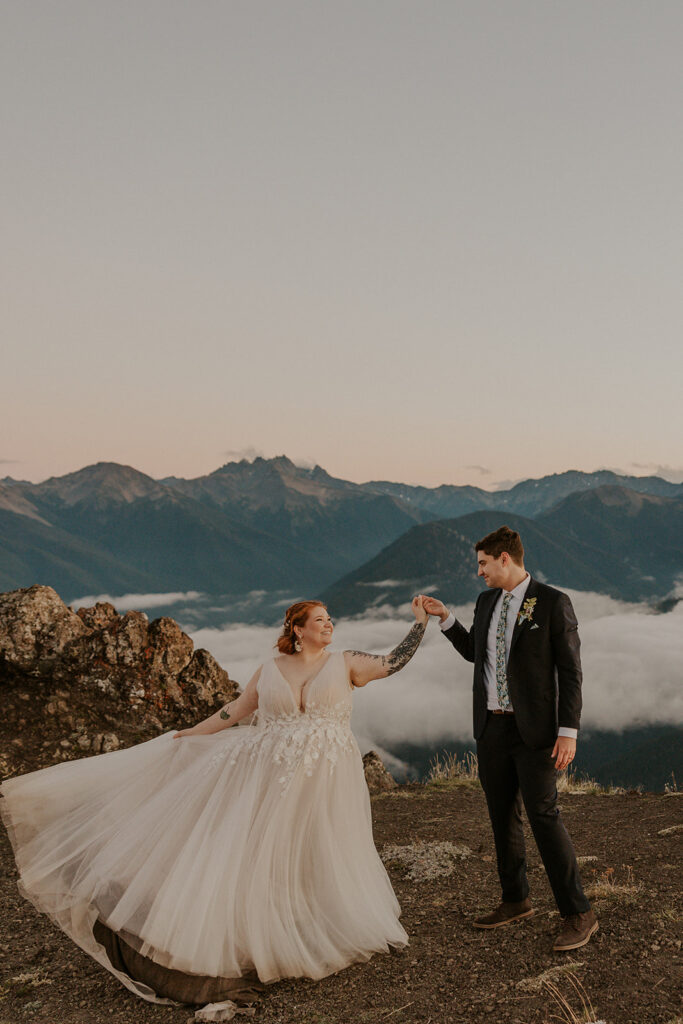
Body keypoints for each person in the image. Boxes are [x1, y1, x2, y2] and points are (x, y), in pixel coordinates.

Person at [0, 598, 428, 1021]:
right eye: (320, 619)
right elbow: (237, 711)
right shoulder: (271, 669)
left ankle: (312, 928)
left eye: (330, 619)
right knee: (260, 855)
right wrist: (191, 733)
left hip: (325, 780)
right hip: (268, 776)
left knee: (319, 851)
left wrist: (421, 622)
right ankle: (259, 936)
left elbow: (394, 661)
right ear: (297, 629)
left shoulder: (346, 662)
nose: (329, 624)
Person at [421, 526, 598, 952]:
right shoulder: (485, 602)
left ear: (505, 559)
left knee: (543, 816)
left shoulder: (553, 603)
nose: (478, 572)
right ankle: (515, 899)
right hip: (492, 728)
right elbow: (474, 653)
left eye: (483, 563)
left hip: (536, 731)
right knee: (501, 815)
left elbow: (571, 673)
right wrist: (446, 618)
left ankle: (579, 913)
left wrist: (568, 731)